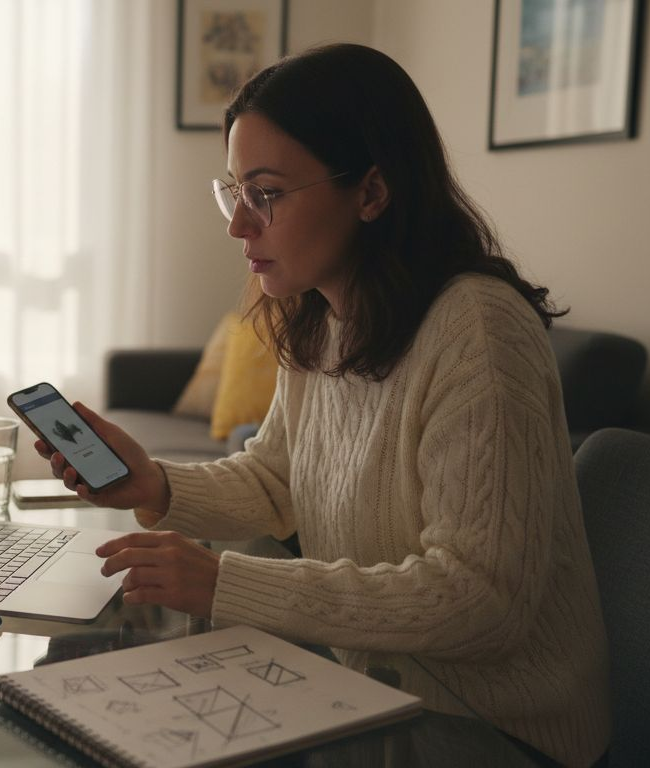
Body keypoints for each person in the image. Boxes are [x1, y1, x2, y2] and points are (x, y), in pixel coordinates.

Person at [35, 44, 609, 766]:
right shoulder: (327, 317)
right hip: (371, 696)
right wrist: (157, 483)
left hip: (494, 732)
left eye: (266, 193)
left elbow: (481, 599)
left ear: (371, 192)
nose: (238, 225)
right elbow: (278, 480)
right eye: (235, 191)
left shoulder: (480, 335)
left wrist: (226, 583)